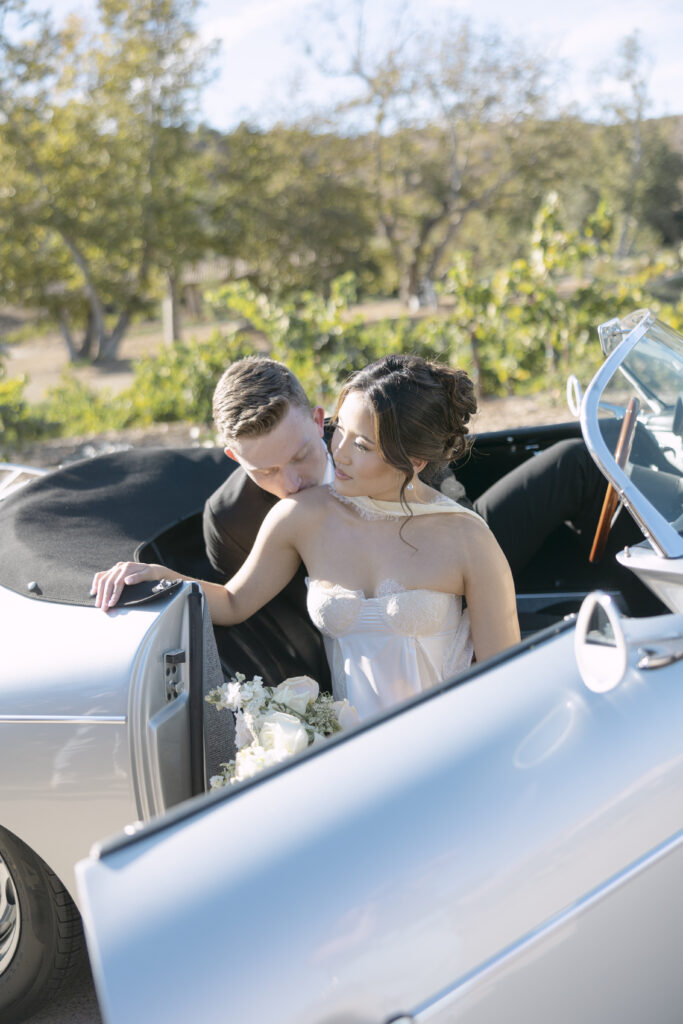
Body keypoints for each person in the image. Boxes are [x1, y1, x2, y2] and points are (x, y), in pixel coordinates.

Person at [91, 355, 521, 721]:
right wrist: (161, 577)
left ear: (413, 460)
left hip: (450, 729)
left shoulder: (466, 537)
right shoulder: (297, 517)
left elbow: (507, 676)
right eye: (341, 434)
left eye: (363, 446)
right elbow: (235, 602)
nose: (341, 453)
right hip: (349, 741)